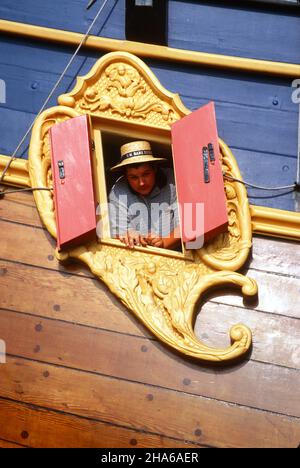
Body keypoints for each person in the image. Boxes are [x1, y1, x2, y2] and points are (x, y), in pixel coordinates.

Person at [108, 141, 181, 250]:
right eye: (133, 177)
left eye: (146, 174)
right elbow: (118, 234)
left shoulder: (173, 180)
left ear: (155, 169)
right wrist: (128, 235)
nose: (141, 182)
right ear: (125, 176)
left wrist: (164, 243)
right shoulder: (117, 192)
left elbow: (188, 225)